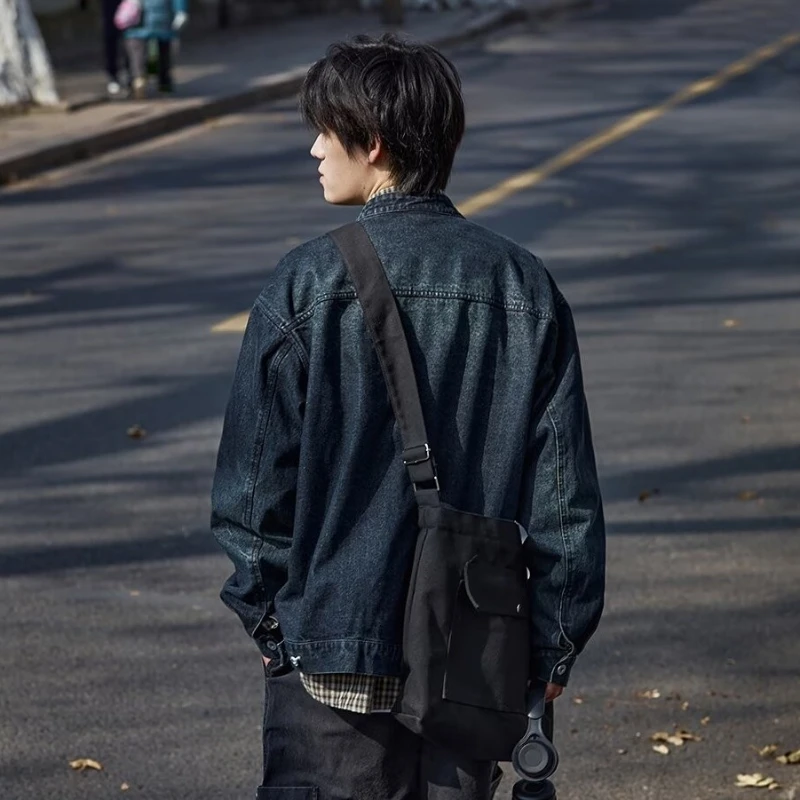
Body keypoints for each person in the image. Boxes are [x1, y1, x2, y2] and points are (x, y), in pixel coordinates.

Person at [211, 34, 605, 800]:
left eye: (328, 129)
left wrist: (276, 633)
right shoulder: (524, 288)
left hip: (328, 661)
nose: (316, 150)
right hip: (472, 661)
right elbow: (564, 504)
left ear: (376, 143)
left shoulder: (304, 284)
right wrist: (551, 651)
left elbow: (253, 500)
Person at [122, 0, 188, 99]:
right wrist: (180, 10)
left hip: (138, 16)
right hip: (162, 16)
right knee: (163, 51)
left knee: (137, 51)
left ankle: (138, 80)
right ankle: (164, 83)